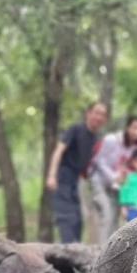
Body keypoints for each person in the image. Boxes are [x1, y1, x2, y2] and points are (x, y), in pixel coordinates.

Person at [46, 102, 108, 243]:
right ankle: (66, 255)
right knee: (66, 219)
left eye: (103, 115)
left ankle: (74, 256)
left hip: (78, 182)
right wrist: (51, 176)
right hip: (63, 179)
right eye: (96, 112)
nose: (99, 117)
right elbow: (58, 150)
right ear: (89, 113)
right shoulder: (75, 130)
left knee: (78, 221)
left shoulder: (96, 139)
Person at [89, 115, 137, 243]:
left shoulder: (135, 148)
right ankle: (101, 251)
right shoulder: (111, 140)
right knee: (107, 215)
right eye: (134, 127)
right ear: (127, 127)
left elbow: (129, 167)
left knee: (115, 219)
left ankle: (110, 250)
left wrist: (126, 177)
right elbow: (99, 161)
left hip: (116, 187)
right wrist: (114, 177)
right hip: (100, 182)